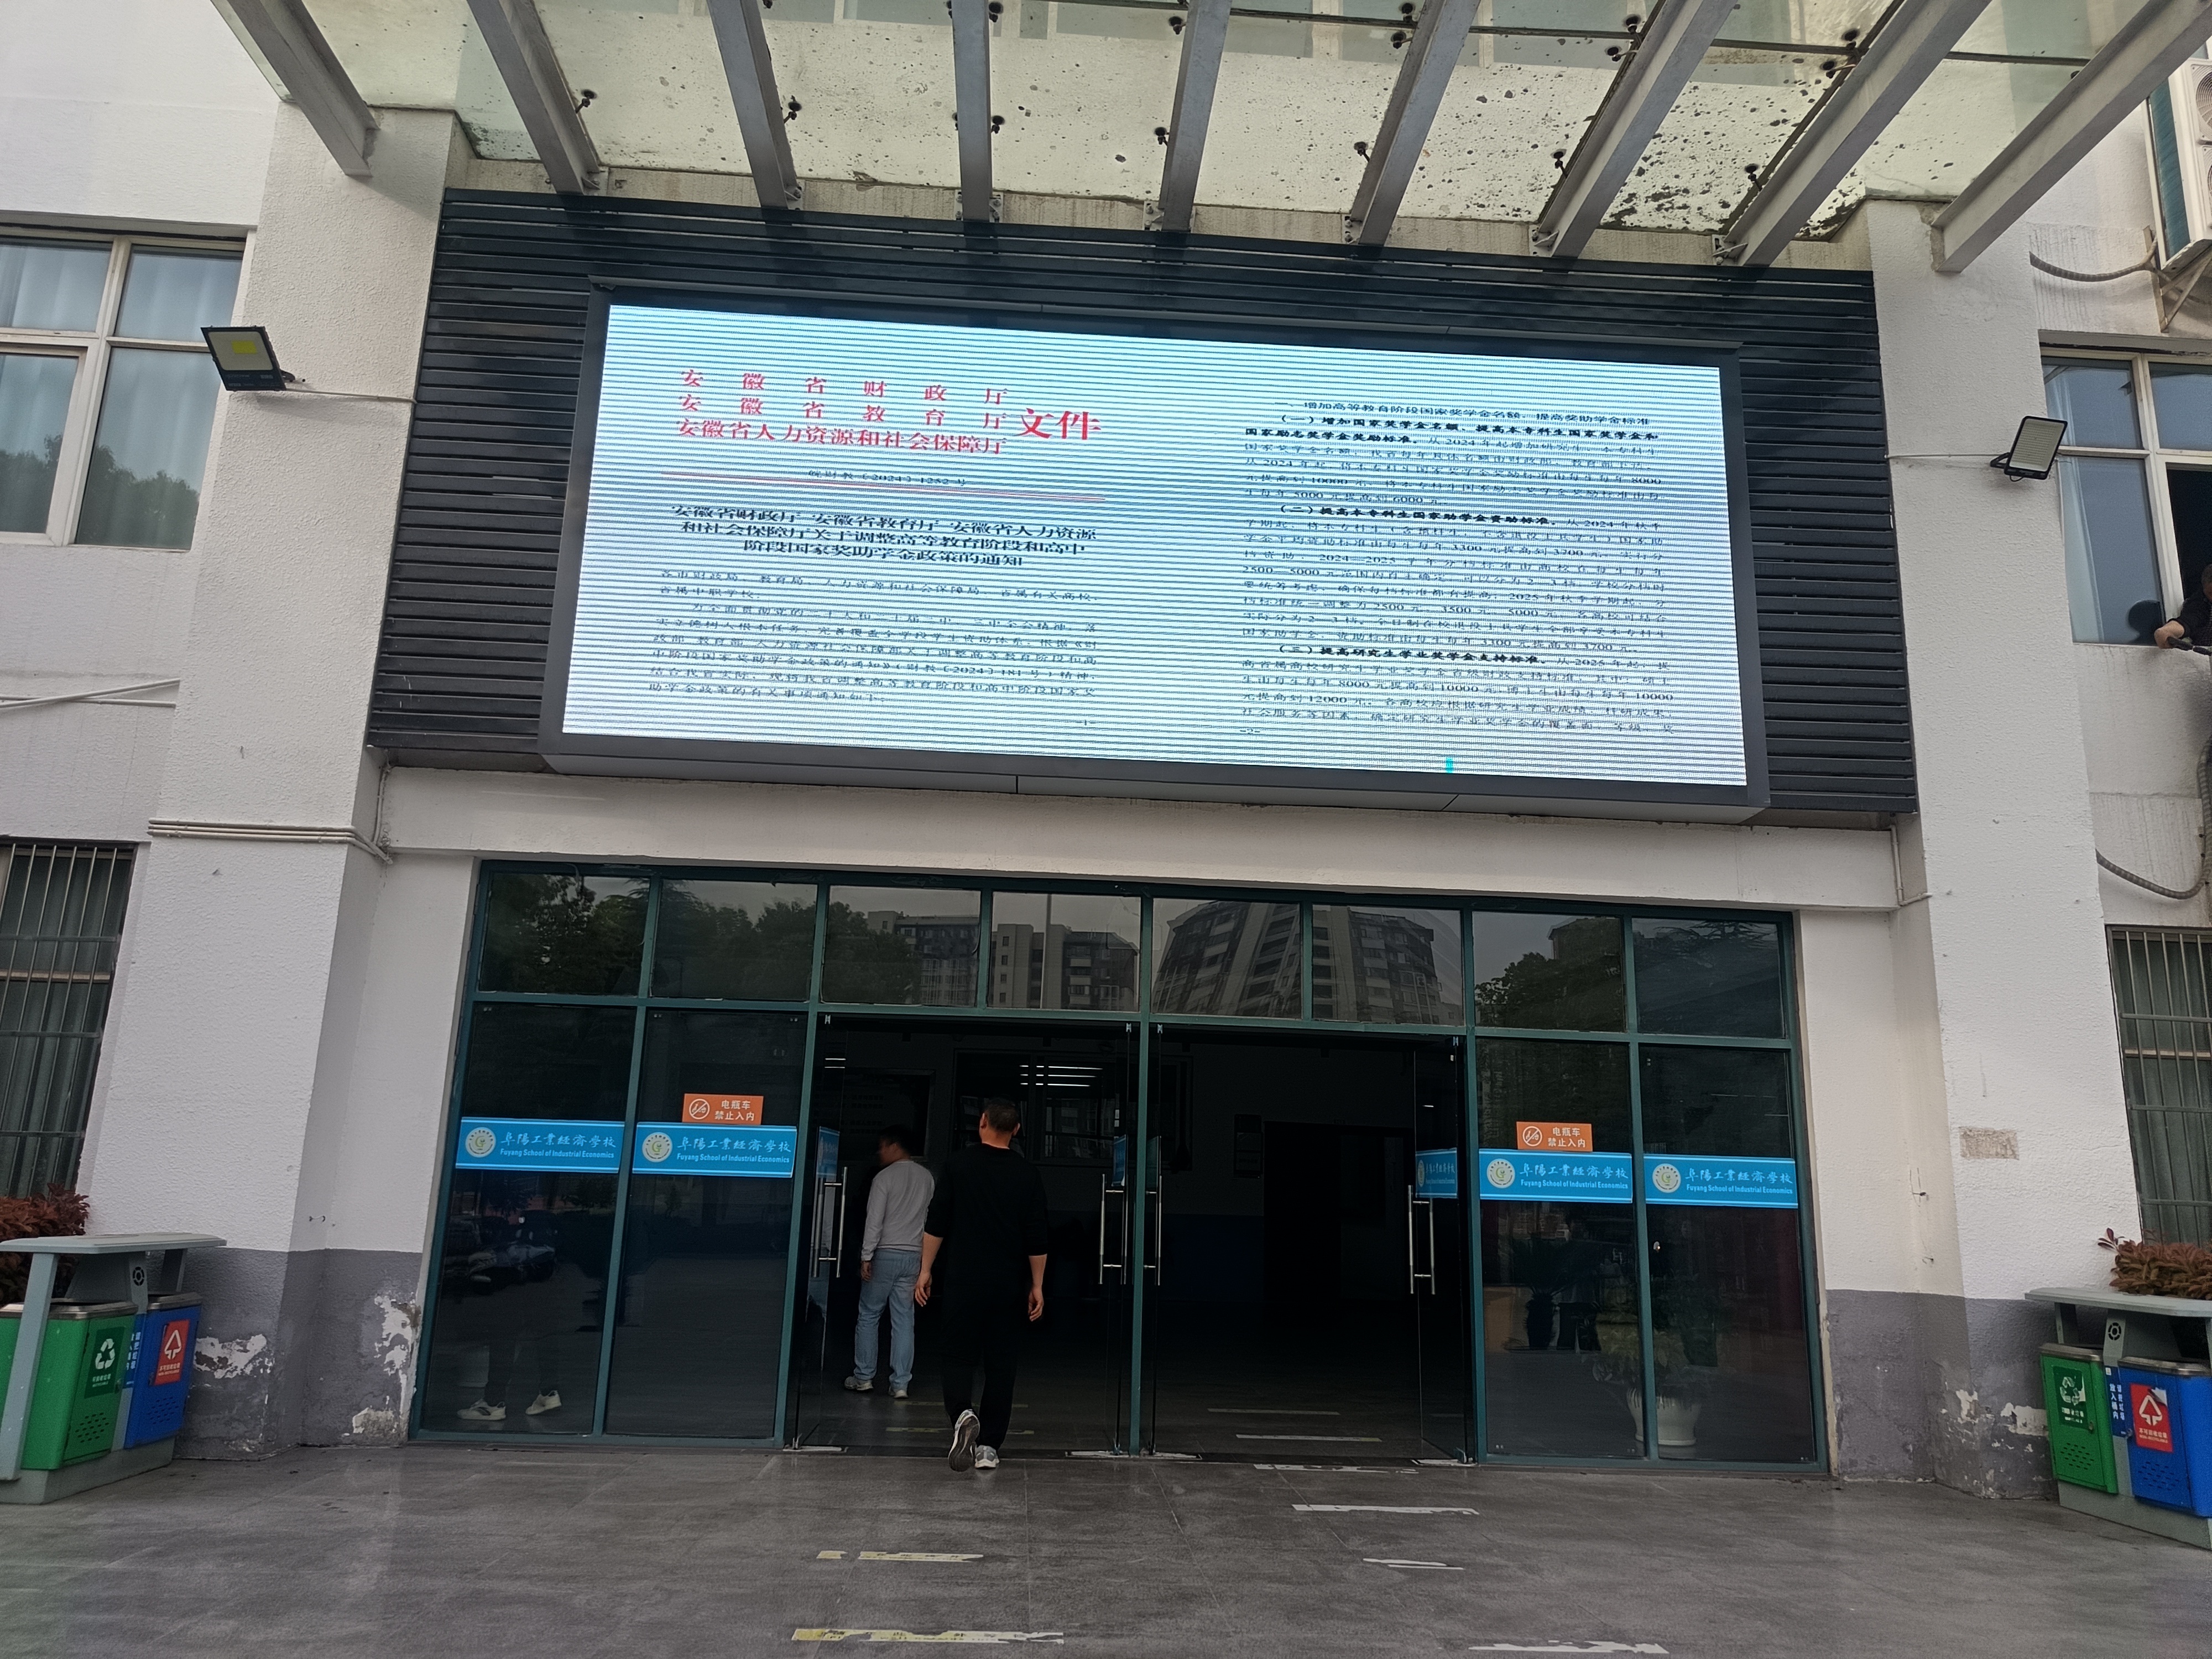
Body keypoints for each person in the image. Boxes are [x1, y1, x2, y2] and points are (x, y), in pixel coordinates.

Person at [914, 1097, 1048, 1473]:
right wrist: (1037, 1285)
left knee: (957, 1355)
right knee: (1001, 1364)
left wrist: (925, 1270)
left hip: (963, 1280)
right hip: (1008, 1285)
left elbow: (937, 1221)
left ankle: (962, 1414)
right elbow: (1037, 1234)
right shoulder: (1027, 1174)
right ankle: (988, 1447)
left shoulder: (957, 1165)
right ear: (1017, 1130)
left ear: (982, 1122)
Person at [846, 1124, 933, 1400]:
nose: (880, 1152)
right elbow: (928, 1221)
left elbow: (875, 1220)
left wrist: (866, 1256)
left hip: (884, 1254)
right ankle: (901, 1383)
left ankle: (864, 1377)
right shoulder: (927, 1178)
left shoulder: (884, 1178)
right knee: (904, 1319)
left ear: (895, 1146)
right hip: (913, 1256)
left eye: (883, 1147)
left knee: (869, 1314)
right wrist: (926, 1263)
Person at [2154, 564, 2212, 649]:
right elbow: (2188, 622)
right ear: (2204, 589)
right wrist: (2167, 631)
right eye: (2210, 593)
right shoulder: (2200, 604)